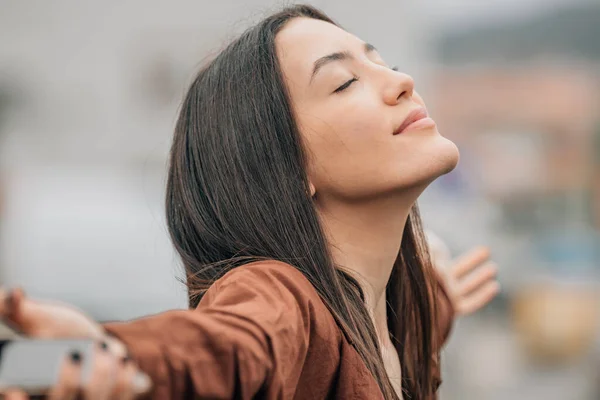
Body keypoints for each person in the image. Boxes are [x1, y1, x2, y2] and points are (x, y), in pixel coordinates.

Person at [0, 4, 498, 399]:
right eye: (345, 82)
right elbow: (226, 349)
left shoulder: (389, 321)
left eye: (384, 63)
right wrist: (109, 354)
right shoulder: (280, 294)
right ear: (284, 167)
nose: (401, 82)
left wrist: (432, 301)